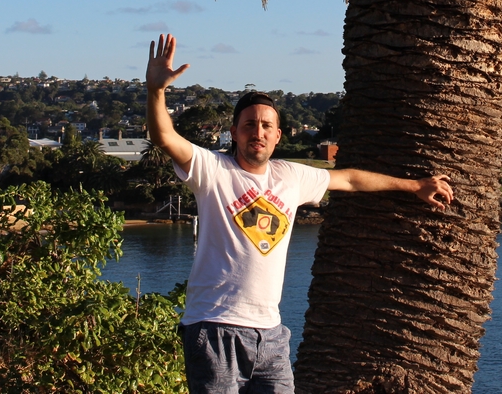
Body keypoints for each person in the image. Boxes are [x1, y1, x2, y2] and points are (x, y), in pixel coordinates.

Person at [146, 34, 454, 394]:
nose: (257, 132)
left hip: (271, 334)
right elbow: (164, 136)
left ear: (278, 135)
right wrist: (156, 91)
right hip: (216, 328)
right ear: (234, 133)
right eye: (248, 125)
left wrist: (414, 186)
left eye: (265, 126)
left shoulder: (289, 177)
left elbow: (351, 180)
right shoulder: (212, 170)